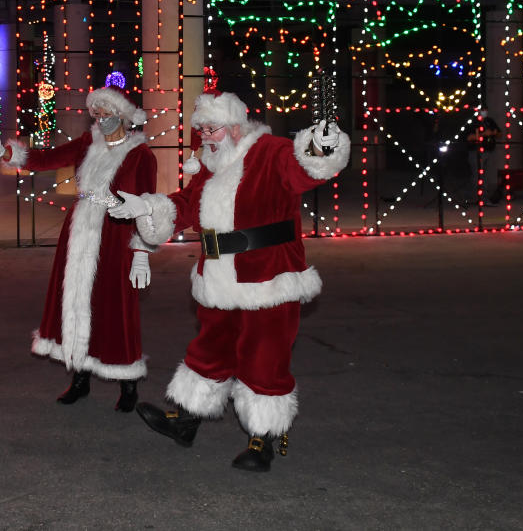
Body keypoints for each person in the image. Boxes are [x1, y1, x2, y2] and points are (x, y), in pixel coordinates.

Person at [108, 91, 349, 471]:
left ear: (236, 128)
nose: (205, 135)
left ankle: (263, 438)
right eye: (200, 129)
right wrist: (147, 207)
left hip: (267, 278)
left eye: (212, 128)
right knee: (211, 347)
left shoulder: (270, 150)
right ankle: (187, 419)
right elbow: (187, 204)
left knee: (264, 354)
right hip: (218, 275)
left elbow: (305, 170)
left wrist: (320, 146)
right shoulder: (210, 163)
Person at [0, 86, 158, 413]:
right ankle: (80, 377)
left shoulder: (140, 155)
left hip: (117, 235)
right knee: (76, 301)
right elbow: (46, 158)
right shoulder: (87, 143)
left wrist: (141, 253)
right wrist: (7, 152)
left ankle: (127, 382)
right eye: (97, 114)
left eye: (108, 114)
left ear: (122, 115)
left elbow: (147, 205)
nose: (102, 120)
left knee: (116, 307)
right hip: (79, 232)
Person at [465, 108, 502, 206]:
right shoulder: (473, 122)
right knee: (477, 176)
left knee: (485, 176)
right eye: (482, 110)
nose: (484, 112)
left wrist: (494, 133)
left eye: (485, 110)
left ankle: (483, 198)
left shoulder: (489, 121)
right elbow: (469, 137)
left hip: (489, 151)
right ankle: (475, 198)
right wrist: (484, 134)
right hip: (476, 152)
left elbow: (499, 133)